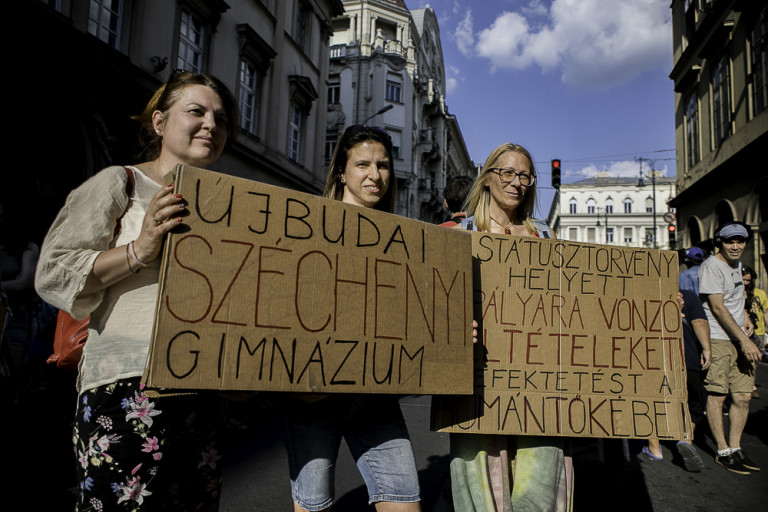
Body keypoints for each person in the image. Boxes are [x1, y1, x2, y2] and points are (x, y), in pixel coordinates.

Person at [35, 71, 239, 510]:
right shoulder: (119, 184)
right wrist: (139, 249)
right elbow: (53, 272)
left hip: (202, 394)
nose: (211, 125)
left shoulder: (230, 207)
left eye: (221, 119)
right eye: (196, 112)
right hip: (126, 390)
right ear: (161, 123)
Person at [280, 124, 420, 512]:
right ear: (342, 172)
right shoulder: (308, 225)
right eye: (362, 164)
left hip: (374, 396)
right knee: (313, 506)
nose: (375, 175)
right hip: (312, 394)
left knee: (405, 501)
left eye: (383, 166)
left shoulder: (404, 240)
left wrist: (453, 329)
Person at [449, 143, 572, 511]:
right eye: (507, 173)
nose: (517, 182)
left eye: (524, 175)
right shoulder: (459, 234)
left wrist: (657, 306)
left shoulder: (544, 237)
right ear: (488, 178)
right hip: (476, 384)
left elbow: (577, 303)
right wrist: (453, 328)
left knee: (540, 480)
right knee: (482, 484)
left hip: (539, 383)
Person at [699, 222, 762, 474]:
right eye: (729, 242)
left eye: (740, 241)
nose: (735, 246)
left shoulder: (736, 264)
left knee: (744, 396)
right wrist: (745, 341)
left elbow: (737, 296)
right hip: (719, 337)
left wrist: (746, 315)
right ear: (720, 243)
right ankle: (723, 450)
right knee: (718, 394)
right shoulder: (712, 267)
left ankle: (736, 447)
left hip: (738, 336)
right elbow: (718, 308)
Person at [641, 288, 711, 470]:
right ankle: (686, 440)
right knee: (692, 404)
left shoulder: (642, 292)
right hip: (687, 358)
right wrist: (706, 348)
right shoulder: (688, 295)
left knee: (653, 401)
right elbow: (700, 322)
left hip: (653, 357)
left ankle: (654, 449)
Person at [742, 265, 767, 396]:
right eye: (744, 280)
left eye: (748, 280)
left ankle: (750, 383)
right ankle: (746, 384)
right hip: (743, 330)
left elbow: (766, 311)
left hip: (759, 330)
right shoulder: (737, 293)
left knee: (756, 359)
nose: (746, 283)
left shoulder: (760, 293)